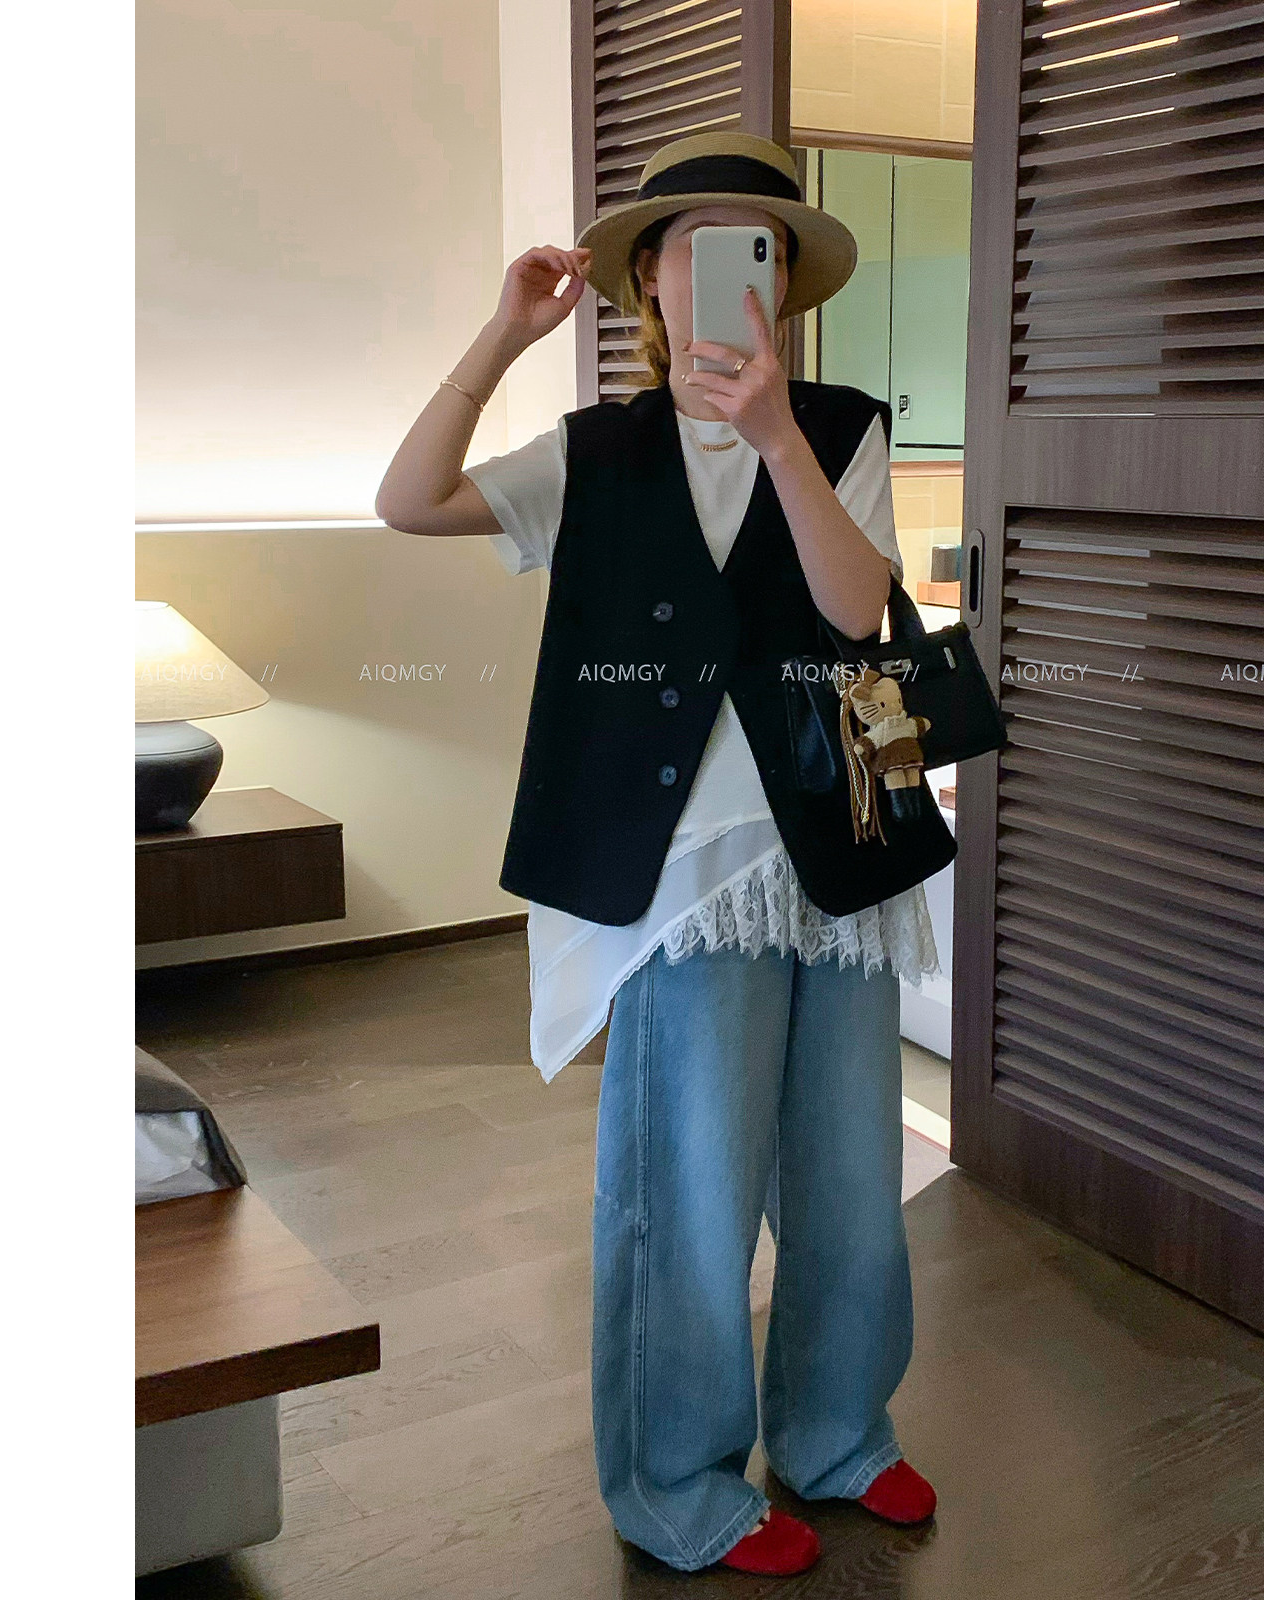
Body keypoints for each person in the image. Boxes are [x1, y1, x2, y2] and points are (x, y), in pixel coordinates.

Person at [377, 131, 944, 1577]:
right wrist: (504, 333)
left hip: (838, 843)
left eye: (764, 247)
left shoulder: (841, 427)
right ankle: (678, 1481)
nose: (734, 270)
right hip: (681, 873)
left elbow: (858, 611)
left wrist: (778, 440)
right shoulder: (597, 452)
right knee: (686, 1195)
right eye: (701, 242)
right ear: (648, 276)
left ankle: (838, 1435)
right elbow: (409, 499)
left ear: (785, 284)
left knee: (849, 1181)